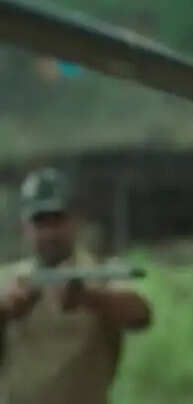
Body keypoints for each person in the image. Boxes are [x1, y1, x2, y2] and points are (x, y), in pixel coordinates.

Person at [0, 168, 151, 404]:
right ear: (25, 227)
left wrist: (88, 298)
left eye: (57, 220)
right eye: (40, 222)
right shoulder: (9, 279)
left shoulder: (100, 272)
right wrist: (6, 310)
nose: (50, 233)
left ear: (75, 220)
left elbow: (141, 315)